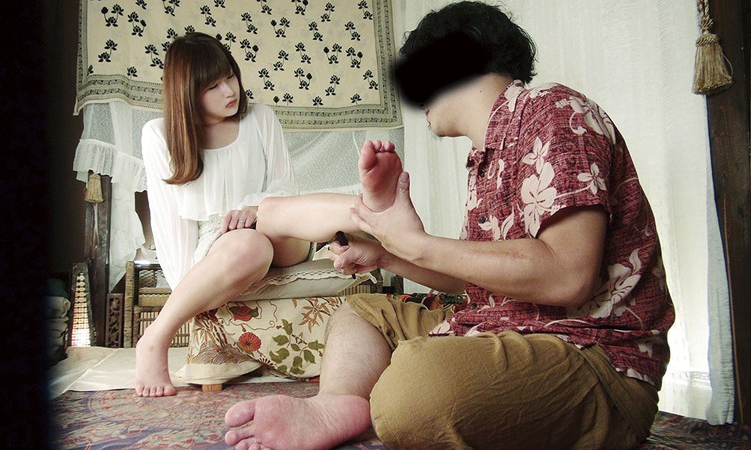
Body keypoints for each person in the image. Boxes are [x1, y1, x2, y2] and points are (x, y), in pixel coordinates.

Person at [223, 2, 675, 449]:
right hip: (504, 327)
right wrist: (387, 254)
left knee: (413, 389)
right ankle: (335, 406)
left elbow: (567, 275)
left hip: (591, 356)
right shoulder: (485, 155)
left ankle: (392, 394)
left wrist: (416, 244)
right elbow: (476, 280)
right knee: (359, 314)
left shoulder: (554, 110)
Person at [137, 31, 402, 397]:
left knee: (273, 211)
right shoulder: (159, 135)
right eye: (213, 86)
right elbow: (170, 223)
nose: (229, 91)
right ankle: (155, 339)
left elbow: (284, 188)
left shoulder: (260, 118)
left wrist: (254, 208)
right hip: (219, 243)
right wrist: (188, 286)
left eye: (230, 76)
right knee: (251, 244)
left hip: (280, 228)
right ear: (187, 93)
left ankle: (372, 206)